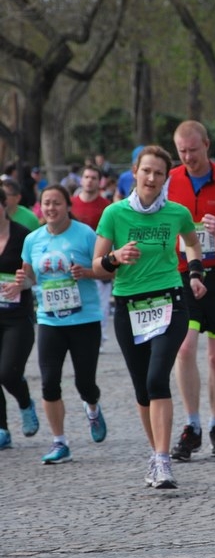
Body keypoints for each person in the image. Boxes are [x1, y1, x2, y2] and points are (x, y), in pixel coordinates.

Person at [94, 145, 205, 489]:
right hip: (128, 307)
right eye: (146, 171)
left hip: (170, 301)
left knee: (158, 378)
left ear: (165, 177)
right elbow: (98, 267)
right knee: (143, 386)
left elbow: (192, 242)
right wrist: (115, 257)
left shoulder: (177, 212)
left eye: (159, 173)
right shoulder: (114, 214)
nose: (152, 178)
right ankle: (155, 453)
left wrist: (196, 272)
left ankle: (163, 460)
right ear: (135, 172)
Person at [167, 120, 215, 462]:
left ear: (207, 145)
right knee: (184, 349)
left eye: (193, 151)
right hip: (182, 274)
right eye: (182, 152)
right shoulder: (170, 181)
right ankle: (192, 424)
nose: (187, 158)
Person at [18, 185, 106, 464]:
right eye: (46, 203)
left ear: (68, 206)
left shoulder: (86, 235)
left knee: (85, 383)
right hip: (49, 320)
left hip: (85, 319)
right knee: (48, 383)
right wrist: (23, 283)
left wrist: (86, 272)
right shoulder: (33, 240)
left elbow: (106, 271)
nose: (51, 208)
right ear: (40, 207)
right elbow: (29, 278)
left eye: (56, 203)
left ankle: (92, 408)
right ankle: (60, 442)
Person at [0, 187, 38, 450]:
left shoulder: (23, 237)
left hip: (17, 317)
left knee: (8, 372)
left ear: (4, 206)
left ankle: (25, 403)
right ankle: (2, 429)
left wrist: (22, 285)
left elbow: (35, 278)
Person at [71, 165, 112, 345]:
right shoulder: (71, 203)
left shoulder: (107, 207)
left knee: (102, 302)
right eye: (86, 177)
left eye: (93, 177)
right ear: (81, 180)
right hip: (76, 259)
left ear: (99, 181)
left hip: (100, 259)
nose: (89, 180)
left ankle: (99, 337)